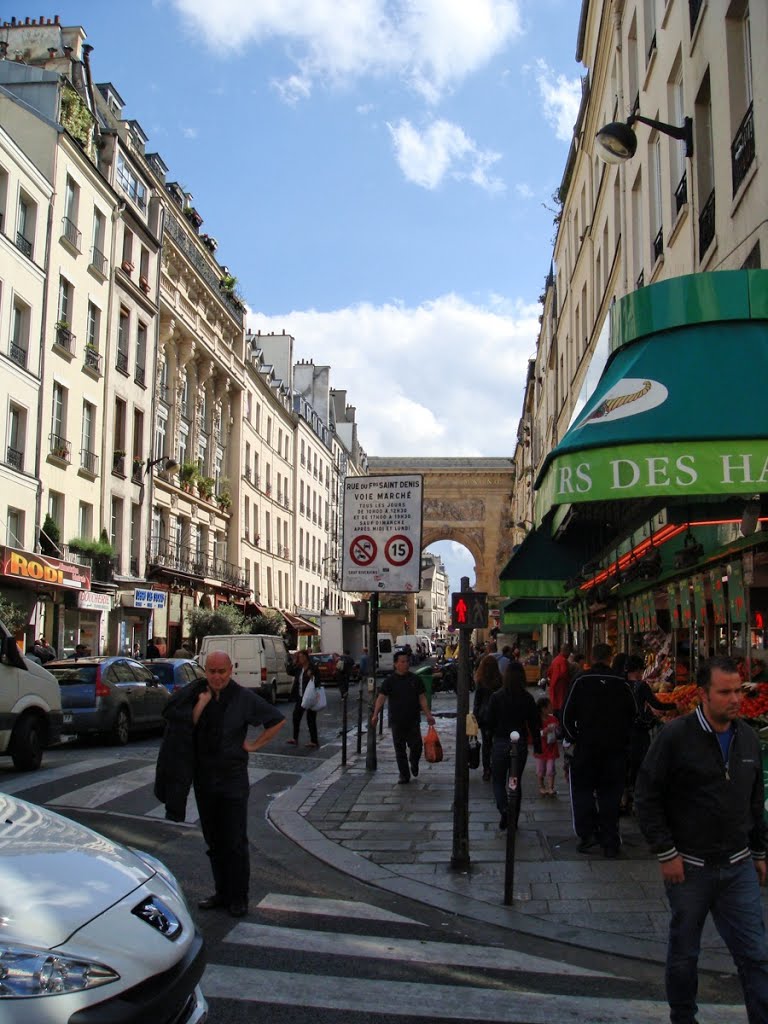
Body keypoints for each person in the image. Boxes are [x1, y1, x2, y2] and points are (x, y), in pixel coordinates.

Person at [634, 657, 768, 1024]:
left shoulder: (748, 739)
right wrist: (666, 852)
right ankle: (683, 1017)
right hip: (690, 867)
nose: (735, 699)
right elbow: (647, 795)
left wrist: (759, 851)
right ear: (703, 695)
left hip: (737, 865)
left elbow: (754, 800)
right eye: (725, 692)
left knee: (756, 954)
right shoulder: (676, 737)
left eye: (738, 690)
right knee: (684, 954)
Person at [154, 650, 285, 917]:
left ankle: (239, 898)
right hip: (205, 779)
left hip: (233, 779)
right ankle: (221, 892)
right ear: (205, 670)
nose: (216, 676)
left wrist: (254, 745)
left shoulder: (243, 698)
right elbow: (180, 725)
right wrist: (201, 705)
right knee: (213, 840)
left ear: (230, 670)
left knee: (235, 841)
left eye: (221, 671)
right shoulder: (195, 694)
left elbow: (276, 719)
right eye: (211, 671)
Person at [561, 642, 636, 858]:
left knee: (583, 791)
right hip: (615, 750)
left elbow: (566, 715)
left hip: (587, 748)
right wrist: (624, 740)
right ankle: (610, 841)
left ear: (592, 657)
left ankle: (588, 835)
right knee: (610, 795)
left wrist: (574, 738)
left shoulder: (581, 681)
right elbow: (634, 714)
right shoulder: (621, 683)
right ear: (610, 658)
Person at [485, 661, 541, 830]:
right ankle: (513, 819)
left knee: (498, 781)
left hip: (501, 742)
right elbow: (534, 724)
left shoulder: (497, 697)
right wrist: (538, 746)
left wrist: (488, 746)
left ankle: (504, 809)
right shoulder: (527, 698)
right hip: (520, 744)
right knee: (514, 782)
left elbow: (489, 723)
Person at [370, 650, 435, 784]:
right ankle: (404, 775)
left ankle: (414, 762)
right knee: (399, 750)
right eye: (402, 662)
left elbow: (422, 698)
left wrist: (428, 715)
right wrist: (375, 714)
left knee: (416, 746)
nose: (406, 664)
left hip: (413, 720)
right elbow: (381, 698)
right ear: (395, 664)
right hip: (397, 720)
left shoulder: (415, 679)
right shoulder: (389, 681)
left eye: (407, 661)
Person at [624, 653, 675, 813]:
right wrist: (675, 705)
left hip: (623, 730)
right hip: (639, 730)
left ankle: (624, 798)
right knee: (641, 764)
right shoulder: (641, 686)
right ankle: (637, 799)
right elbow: (656, 704)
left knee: (627, 765)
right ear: (638, 670)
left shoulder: (621, 684)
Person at [472, 654, 503, 781]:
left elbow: (477, 702)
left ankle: (487, 769)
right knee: (497, 742)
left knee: (486, 744)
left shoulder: (480, 681)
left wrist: (475, 717)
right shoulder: (500, 680)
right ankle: (497, 766)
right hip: (497, 716)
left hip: (484, 717)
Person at [287, 649, 319, 748]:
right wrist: (293, 661)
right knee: (296, 717)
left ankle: (314, 741)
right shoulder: (298, 668)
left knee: (311, 719)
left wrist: (312, 676)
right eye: (299, 657)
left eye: (301, 657)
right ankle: (295, 738)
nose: (300, 659)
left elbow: (318, 681)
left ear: (306, 657)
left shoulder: (312, 668)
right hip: (300, 697)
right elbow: (289, 671)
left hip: (309, 697)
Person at [535, 695, 560, 797]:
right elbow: (535, 734)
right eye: (549, 706)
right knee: (540, 770)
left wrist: (556, 729)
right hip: (541, 749)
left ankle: (550, 787)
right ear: (543, 709)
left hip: (551, 748)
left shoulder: (553, 719)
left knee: (551, 768)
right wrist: (544, 731)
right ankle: (541, 786)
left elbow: (559, 732)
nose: (551, 708)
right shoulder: (537, 720)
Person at [547, 644, 571, 722]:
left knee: (555, 707)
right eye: (568, 652)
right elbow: (564, 673)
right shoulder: (563, 661)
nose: (569, 654)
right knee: (561, 706)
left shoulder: (555, 659)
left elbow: (549, 673)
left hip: (554, 686)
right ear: (565, 651)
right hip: (561, 687)